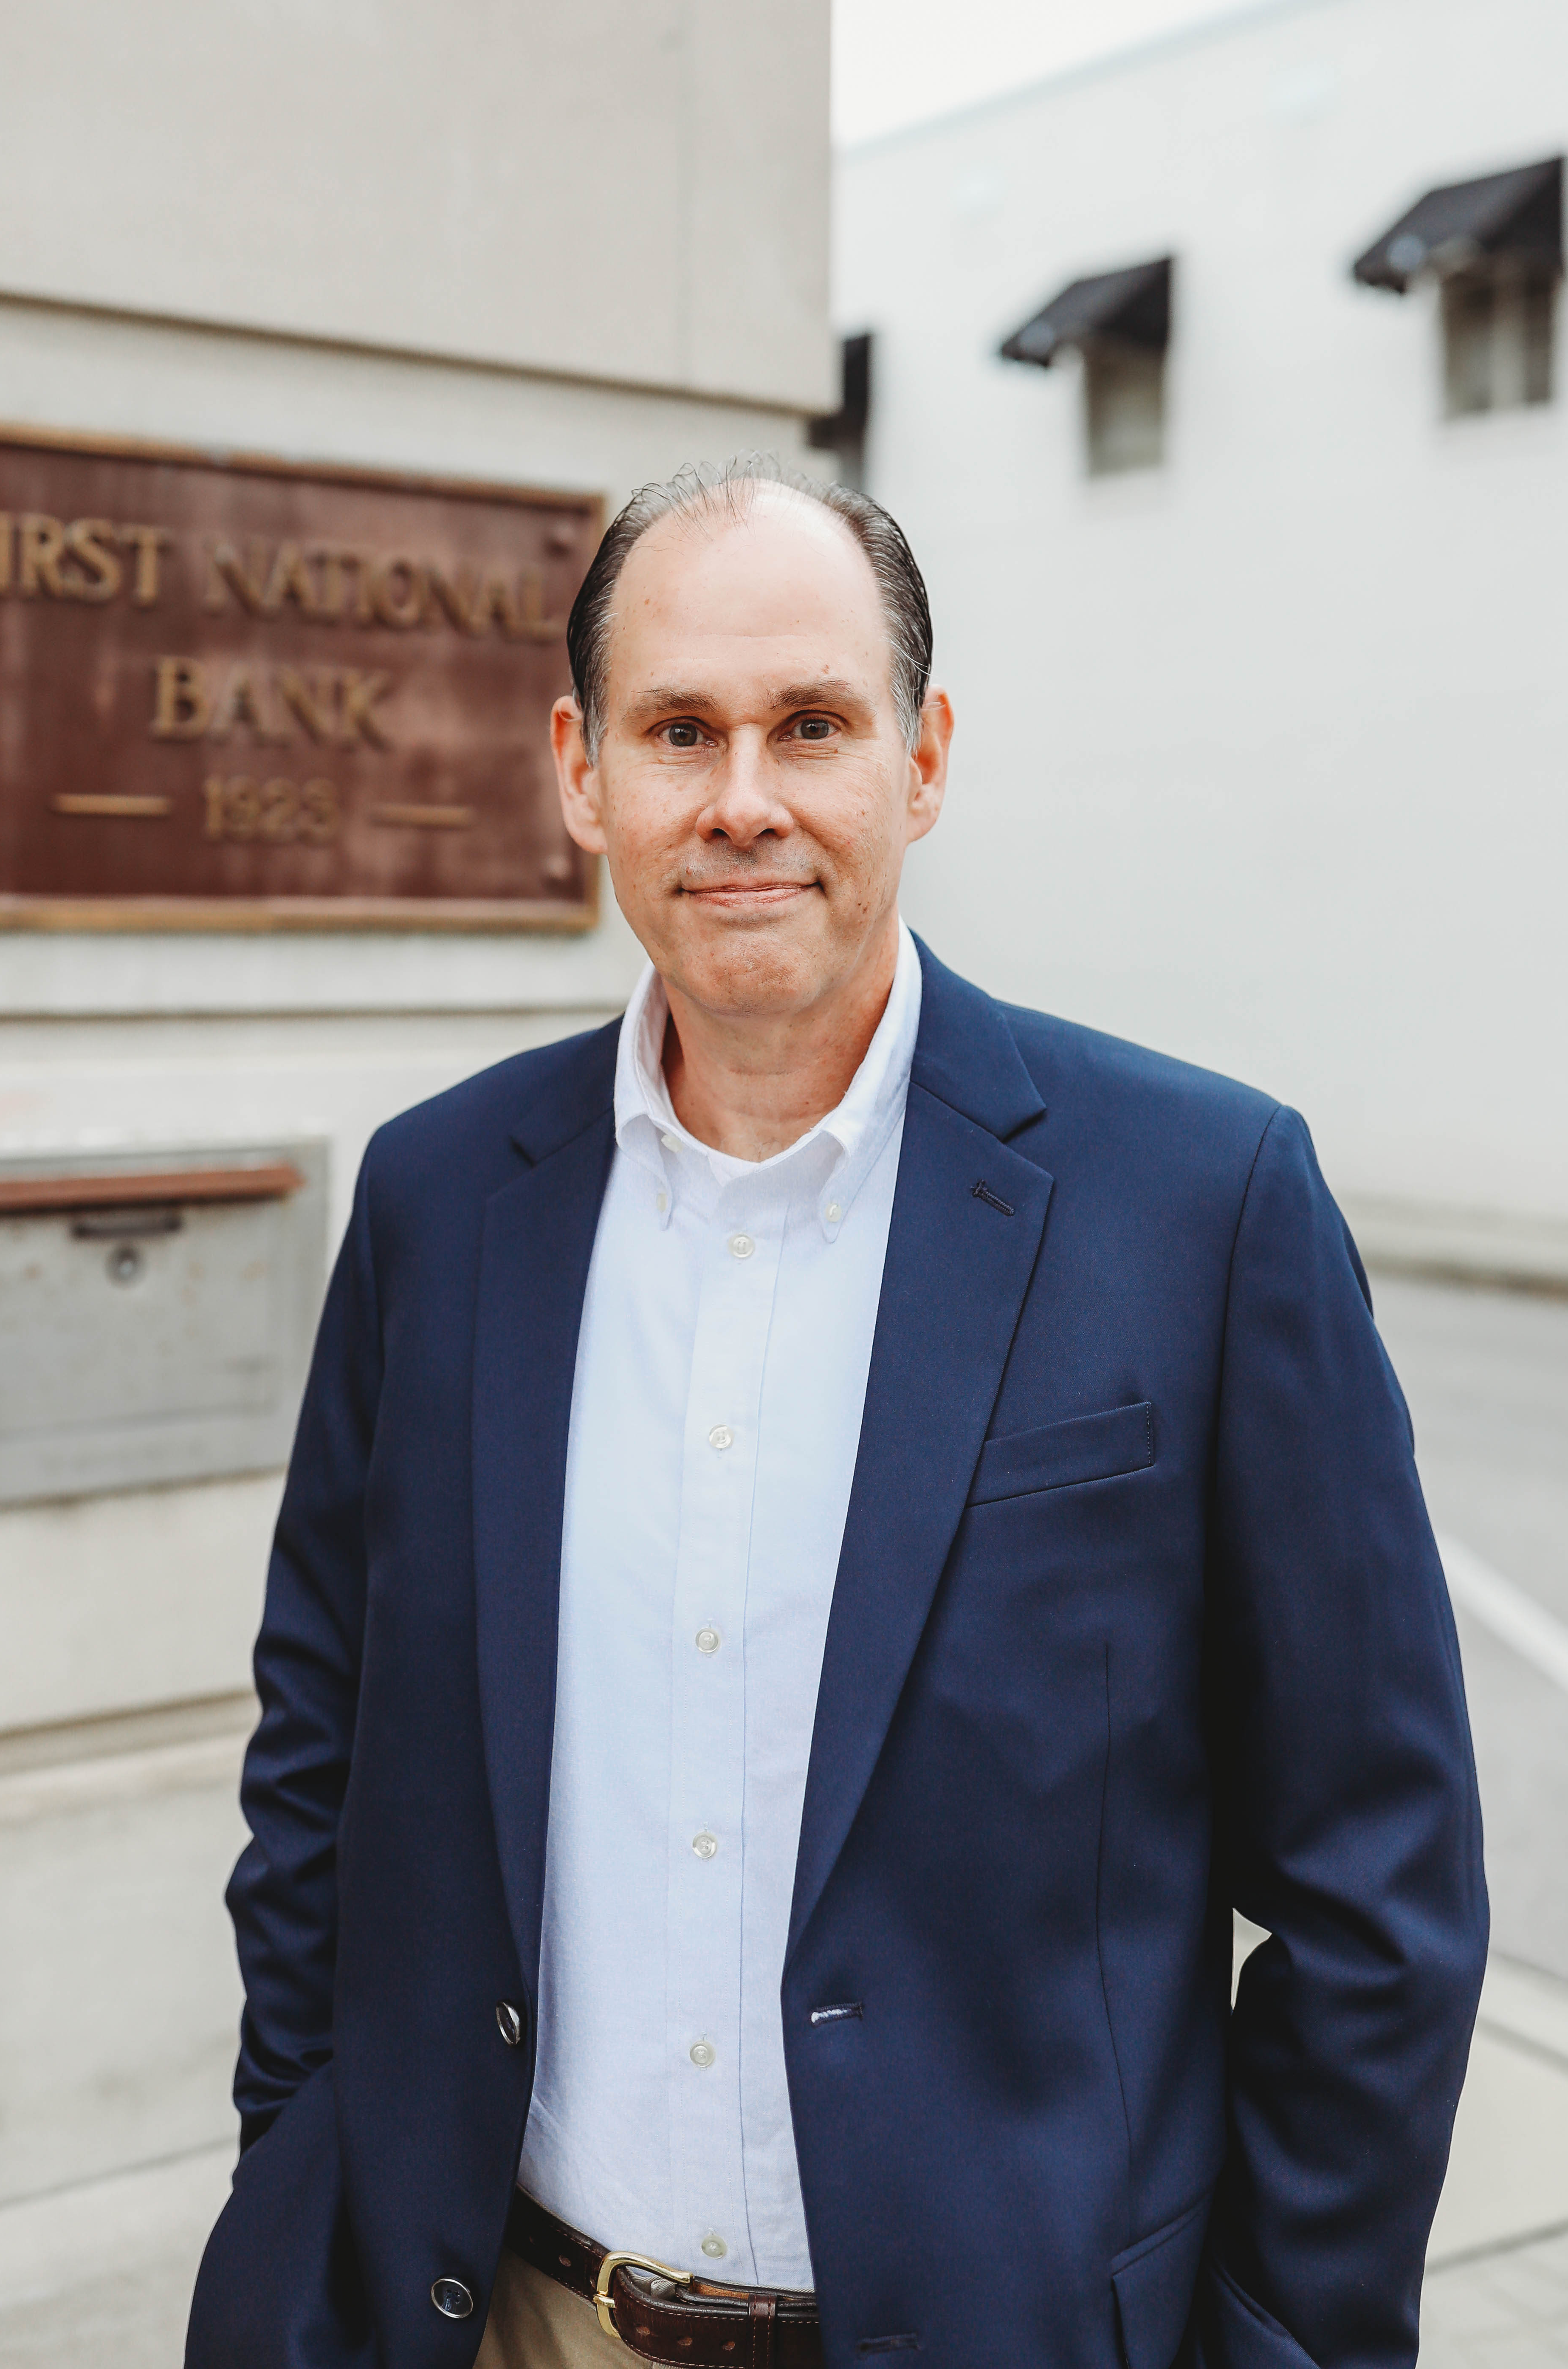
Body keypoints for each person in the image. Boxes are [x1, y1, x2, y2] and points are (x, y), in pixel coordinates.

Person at [187, 457, 1486, 2369]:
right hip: (505, 2319)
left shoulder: (1200, 1207)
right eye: (677, 730)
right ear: (579, 770)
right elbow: (324, 1760)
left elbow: (1378, 1888)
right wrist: (297, 2171)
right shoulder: (442, 1200)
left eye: (811, 726)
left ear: (924, 757)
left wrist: (1280, 2336)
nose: (741, 802)